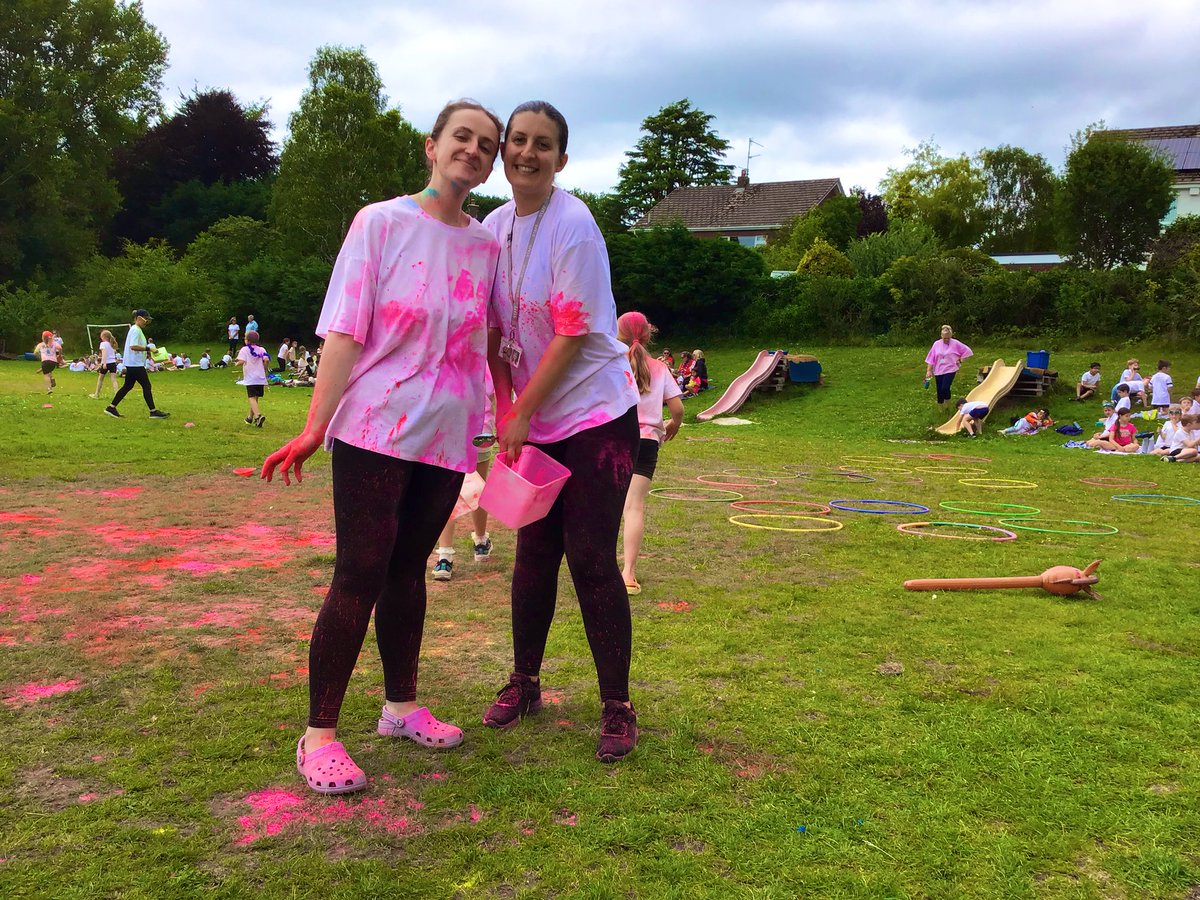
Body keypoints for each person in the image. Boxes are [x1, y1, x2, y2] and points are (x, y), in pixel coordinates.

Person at [260, 99, 503, 795]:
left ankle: (401, 707)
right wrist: (316, 426)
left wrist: (498, 421)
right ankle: (319, 736)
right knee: (360, 571)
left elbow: (487, 343)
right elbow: (345, 330)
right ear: (432, 145)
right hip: (376, 426)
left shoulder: (486, 245)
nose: (473, 151)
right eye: (462, 137)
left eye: (486, 145)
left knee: (408, 572)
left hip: (446, 434)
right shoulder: (381, 222)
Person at [479, 100, 642, 764]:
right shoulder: (493, 228)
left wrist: (522, 412)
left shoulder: (574, 224)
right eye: (517, 140)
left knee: (591, 557)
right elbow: (493, 332)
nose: (527, 152)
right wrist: (505, 407)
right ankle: (525, 682)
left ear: (561, 159)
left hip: (597, 414)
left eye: (542, 144)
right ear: (504, 152)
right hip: (534, 417)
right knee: (532, 553)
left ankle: (617, 706)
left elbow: (573, 333)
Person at [617, 311, 683, 595]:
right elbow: (678, 409)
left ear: (618, 334)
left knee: (607, 505)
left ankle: (600, 567)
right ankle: (628, 574)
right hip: (646, 442)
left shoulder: (611, 364)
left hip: (615, 439)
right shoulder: (659, 367)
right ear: (648, 334)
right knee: (634, 507)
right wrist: (673, 424)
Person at [431, 383, 496, 582]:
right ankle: (481, 543)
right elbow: (493, 396)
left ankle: (445, 557)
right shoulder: (486, 366)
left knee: (447, 491)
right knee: (479, 488)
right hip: (480, 431)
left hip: (449, 430)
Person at [105, 310, 168, 419]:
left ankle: (111, 408)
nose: (147, 322)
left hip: (133, 363)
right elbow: (133, 346)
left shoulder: (137, 329)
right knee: (146, 386)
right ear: (138, 318)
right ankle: (153, 411)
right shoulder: (135, 330)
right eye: (145, 319)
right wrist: (148, 348)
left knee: (127, 386)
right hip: (135, 364)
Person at [923, 325, 973, 406]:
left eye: (948, 338)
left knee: (945, 387)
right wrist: (929, 370)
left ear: (951, 336)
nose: (946, 340)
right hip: (938, 370)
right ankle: (941, 407)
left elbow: (968, 351)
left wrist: (960, 360)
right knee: (939, 389)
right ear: (941, 336)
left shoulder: (955, 343)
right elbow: (931, 358)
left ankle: (947, 403)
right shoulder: (936, 344)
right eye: (944, 338)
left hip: (950, 369)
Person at [236, 330, 271, 426]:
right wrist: (264, 369)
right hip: (260, 378)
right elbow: (266, 360)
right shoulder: (262, 349)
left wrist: (237, 363)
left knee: (251, 398)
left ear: (247, 340)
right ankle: (250, 418)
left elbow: (242, 361)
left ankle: (258, 416)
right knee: (255, 398)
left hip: (251, 378)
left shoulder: (244, 349)